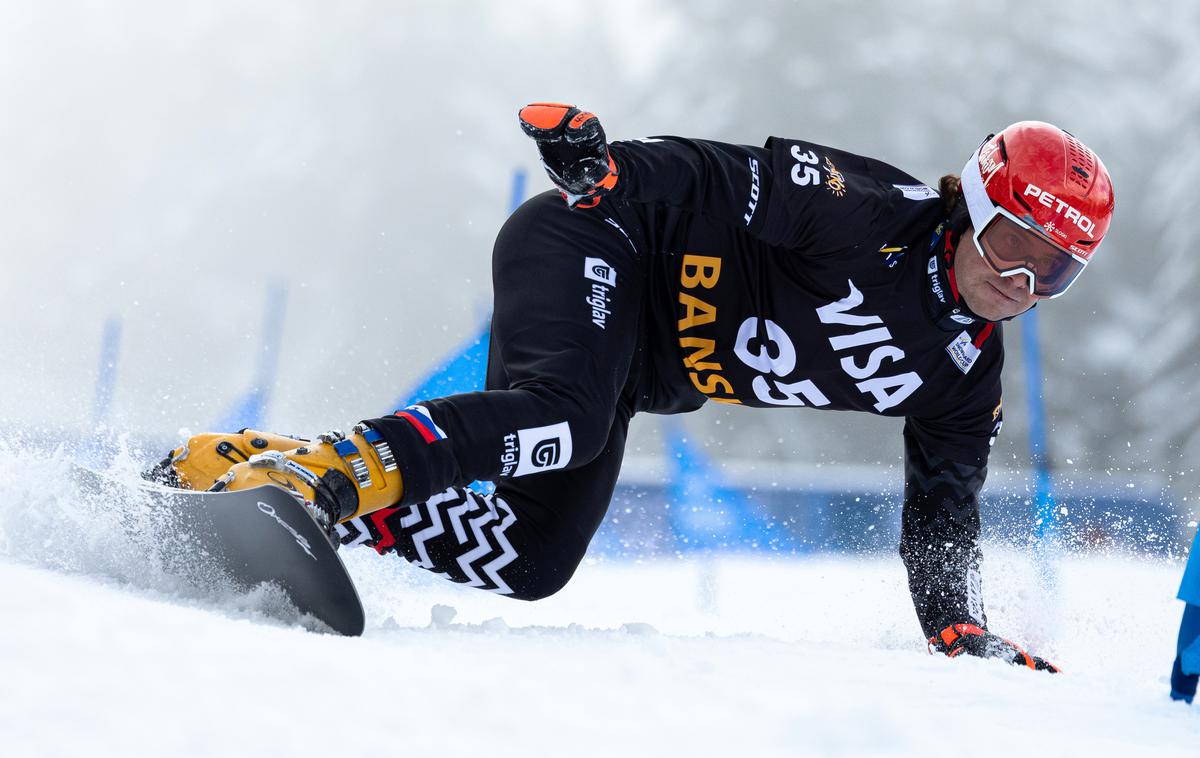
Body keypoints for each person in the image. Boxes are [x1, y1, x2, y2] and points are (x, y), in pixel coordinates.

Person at [152, 104, 1115, 670]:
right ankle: (325, 478)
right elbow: (716, 174)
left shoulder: (963, 379)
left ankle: (242, 471)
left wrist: (959, 629)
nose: (1020, 285)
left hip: (631, 364)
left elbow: (943, 515)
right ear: (973, 208)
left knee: (531, 557)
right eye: (1012, 248)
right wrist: (608, 171)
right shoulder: (870, 213)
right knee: (560, 421)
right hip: (600, 238)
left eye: (1055, 274)